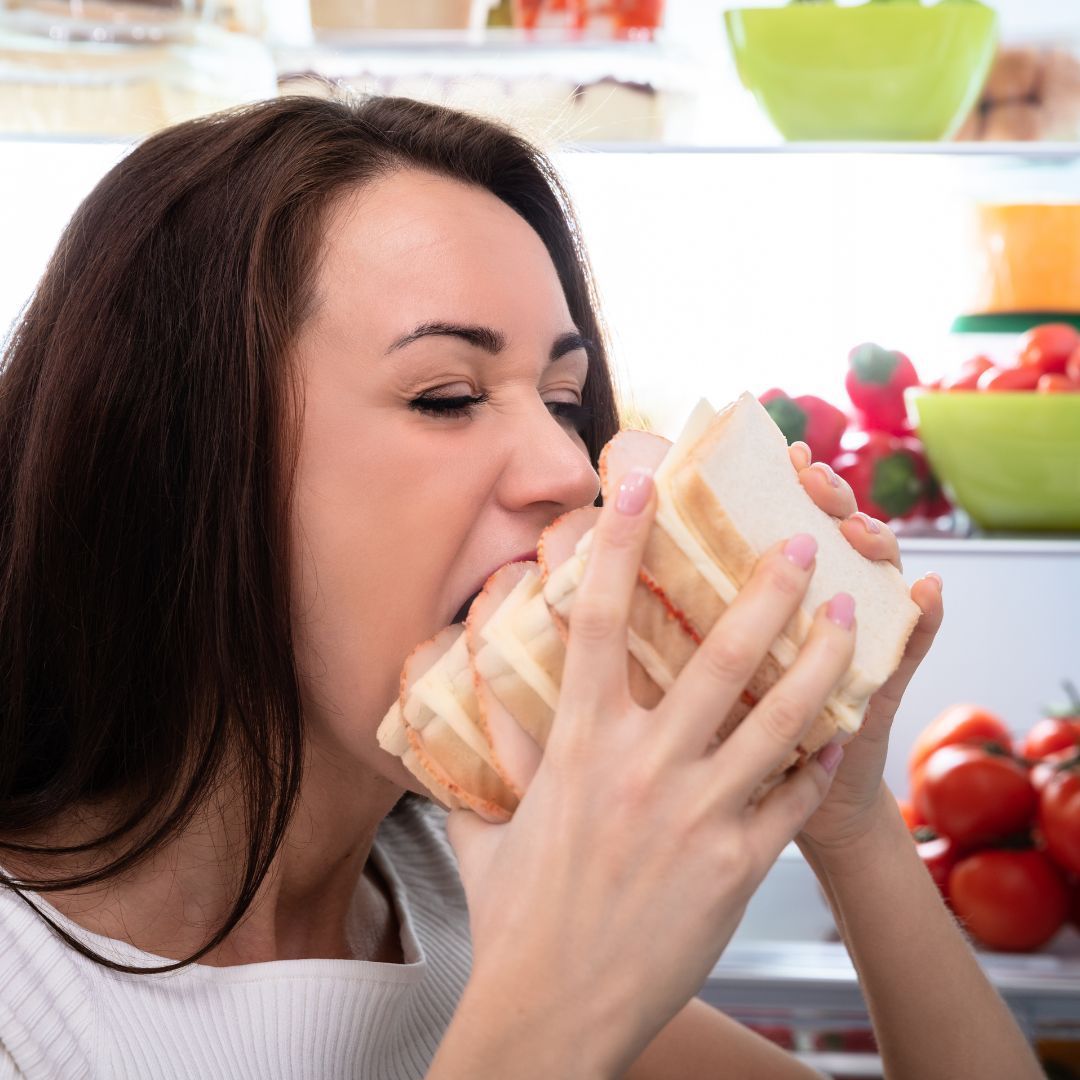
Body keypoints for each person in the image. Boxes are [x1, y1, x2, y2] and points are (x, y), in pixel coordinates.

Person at [0, 94, 1040, 1080]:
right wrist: (546, 1020)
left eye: (562, 398)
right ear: (173, 464)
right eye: (449, 396)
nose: (566, 469)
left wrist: (848, 819)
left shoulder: (449, 891)